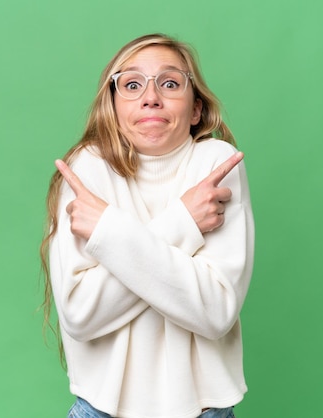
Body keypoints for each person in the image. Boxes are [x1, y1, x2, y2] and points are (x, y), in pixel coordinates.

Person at [40, 33, 255, 418]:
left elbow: (215, 312)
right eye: (132, 84)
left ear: (195, 110)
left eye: (170, 83)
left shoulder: (215, 165)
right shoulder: (85, 169)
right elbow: (80, 315)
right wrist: (184, 221)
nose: (151, 96)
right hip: (101, 410)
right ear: (113, 107)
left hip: (203, 411)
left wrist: (109, 232)